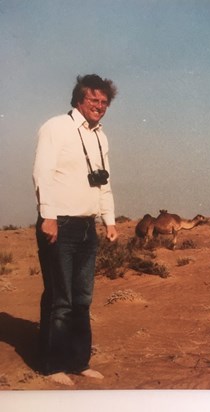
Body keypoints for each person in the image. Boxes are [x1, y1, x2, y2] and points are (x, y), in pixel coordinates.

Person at [32, 74, 119, 386]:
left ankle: (78, 361)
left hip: (87, 226)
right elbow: (42, 172)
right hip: (60, 223)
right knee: (61, 297)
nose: (99, 106)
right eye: (94, 100)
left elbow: (103, 180)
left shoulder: (100, 136)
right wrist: (48, 216)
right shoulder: (56, 127)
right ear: (79, 99)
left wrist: (109, 219)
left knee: (82, 298)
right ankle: (53, 364)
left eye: (104, 102)